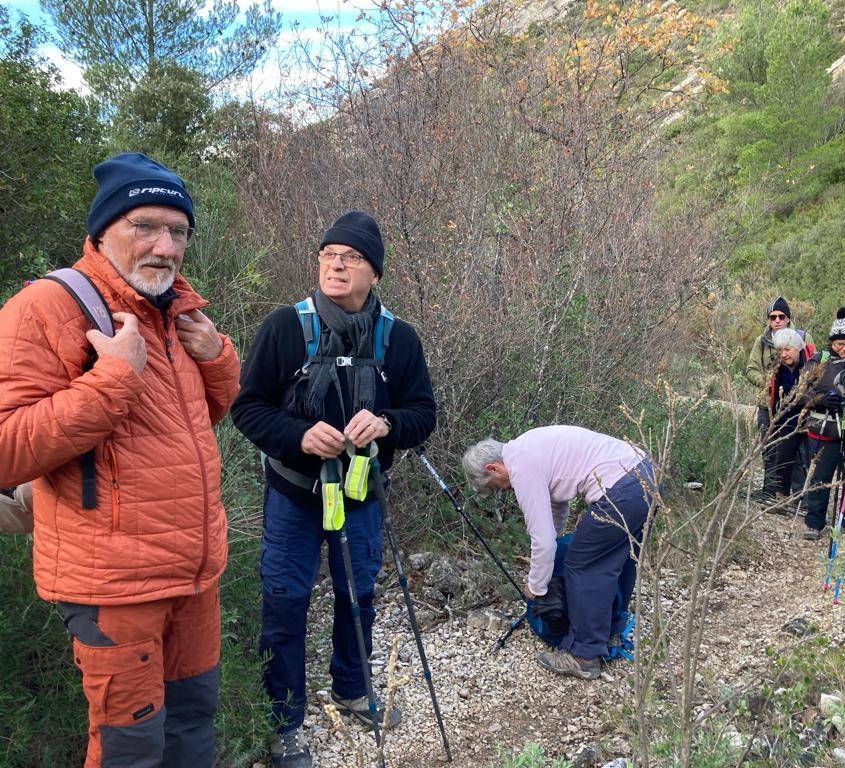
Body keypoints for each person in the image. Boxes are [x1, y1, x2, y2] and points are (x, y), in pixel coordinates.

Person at [0, 153, 240, 767]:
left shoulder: (177, 311)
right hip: (114, 584)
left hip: (193, 575)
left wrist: (216, 356)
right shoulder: (48, 310)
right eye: (145, 226)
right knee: (130, 752)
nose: (165, 246)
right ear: (101, 231)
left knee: (192, 730)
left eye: (179, 231)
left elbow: (191, 422)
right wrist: (111, 381)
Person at [230, 211, 436, 767]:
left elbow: (424, 413)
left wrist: (388, 424)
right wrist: (299, 435)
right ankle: (284, 723)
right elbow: (246, 409)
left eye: (352, 257)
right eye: (328, 254)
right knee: (285, 600)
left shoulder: (399, 339)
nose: (337, 264)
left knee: (357, 594)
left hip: (362, 494)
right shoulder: (285, 328)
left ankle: (352, 689)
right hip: (295, 493)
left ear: (375, 273)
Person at [461, 426, 656, 681]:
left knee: (581, 564)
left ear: (493, 468)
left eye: (496, 486)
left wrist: (536, 587)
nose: (502, 489)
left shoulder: (521, 467)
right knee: (619, 556)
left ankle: (584, 656)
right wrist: (550, 550)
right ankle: (612, 626)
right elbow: (557, 507)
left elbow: (542, 542)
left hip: (621, 489)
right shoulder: (529, 445)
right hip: (646, 474)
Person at [745, 297, 815, 503]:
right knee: (769, 447)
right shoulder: (762, 341)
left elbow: (813, 365)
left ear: (788, 318)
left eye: (781, 316)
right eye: (772, 317)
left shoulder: (803, 337)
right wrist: (767, 383)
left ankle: (797, 496)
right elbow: (751, 369)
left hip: (798, 406)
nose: (777, 320)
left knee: (798, 450)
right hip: (768, 404)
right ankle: (770, 491)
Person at [800, 317, 845, 540]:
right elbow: (801, 392)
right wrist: (821, 399)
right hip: (824, 429)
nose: (844, 349)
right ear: (831, 343)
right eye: (839, 344)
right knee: (820, 478)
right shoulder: (818, 361)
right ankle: (814, 523)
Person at [760, 328, 812, 510]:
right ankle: (781, 497)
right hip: (784, 418)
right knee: (783, 458)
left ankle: (807, 500)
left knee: (807, 459)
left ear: (797, 348)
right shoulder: (776, 368)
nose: (784, 354)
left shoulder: (809, 364)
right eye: (780, 350)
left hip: (807, 417)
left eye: (787, 350)